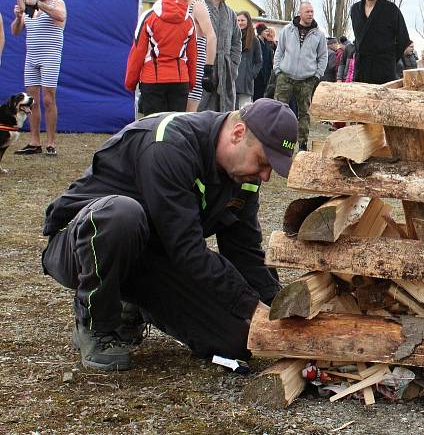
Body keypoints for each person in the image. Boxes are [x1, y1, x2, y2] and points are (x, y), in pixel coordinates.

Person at [41, 98, 299, 370]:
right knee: (122, 216)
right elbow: (188, 251)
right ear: (238, 134)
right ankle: (94, 324)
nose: (266, 176)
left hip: (154, 254)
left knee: (235, 340)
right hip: (84, 242)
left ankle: (133, 302)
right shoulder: (168, 145)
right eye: (262, 162)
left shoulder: (245, 178)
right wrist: (250, 305)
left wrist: (278, 309)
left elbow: (244, 251)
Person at [11, 0, 67, 156]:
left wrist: (38, 4)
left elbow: (60, 16)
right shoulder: (29, 6)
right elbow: (15, 32)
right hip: (32, 57)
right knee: (31, 101)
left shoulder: (56, 2)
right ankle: (35, 142)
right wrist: (19, 16)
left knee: (48, 99)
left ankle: (51, 142)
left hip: (50, 56)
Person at [125, 0, 197, 116]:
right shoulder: (188, 19)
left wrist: (130, 81)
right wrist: (191, 81)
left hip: (153, 78)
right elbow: (193, 54)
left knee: (153, 125)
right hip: (180, 79)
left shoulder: (148, 17)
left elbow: (138, 51)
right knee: (175, 126)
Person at [273, 1, 327, 151]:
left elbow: (323, 57)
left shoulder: (319, 34)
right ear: (300, 13)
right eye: (307, 11)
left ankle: (302, 144)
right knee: (280, 110)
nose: (310, 14)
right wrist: (278, 70)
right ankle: (280, 142)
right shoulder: (287, 30)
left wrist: (317, 76)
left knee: (304, 113)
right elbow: (279, 51)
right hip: (285, 77)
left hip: (306, 80)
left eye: (312, 12)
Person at [167, 0, 218, 113]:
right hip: (183, 63)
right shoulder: (181, 4)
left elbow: (211, 36)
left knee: (189, 113)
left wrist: (208, 69)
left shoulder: (197, 4)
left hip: (197, 63)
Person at [350, 0, 411, 84]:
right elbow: (358, 38)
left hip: (384, 68)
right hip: (362, 67)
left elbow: (404, 38)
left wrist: (390, 58)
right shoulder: (355, 9)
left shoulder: (391, 9)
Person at [198, 0, 241, 113]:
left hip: (226, 69)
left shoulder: (230, 14)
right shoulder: (199, 9)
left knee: (224, 113)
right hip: (203, 67)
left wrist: (233, 65)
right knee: (201, 109)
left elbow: (237, 41)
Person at [234, 11, 262, 108]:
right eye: (238, 20)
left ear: (248, 21)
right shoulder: (232, 37)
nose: (240, 22)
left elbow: (259, 61)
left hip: (246, 82)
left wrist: (251, 74)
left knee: (244, 110)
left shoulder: (254, 40)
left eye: (243, 20)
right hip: (232, 79)